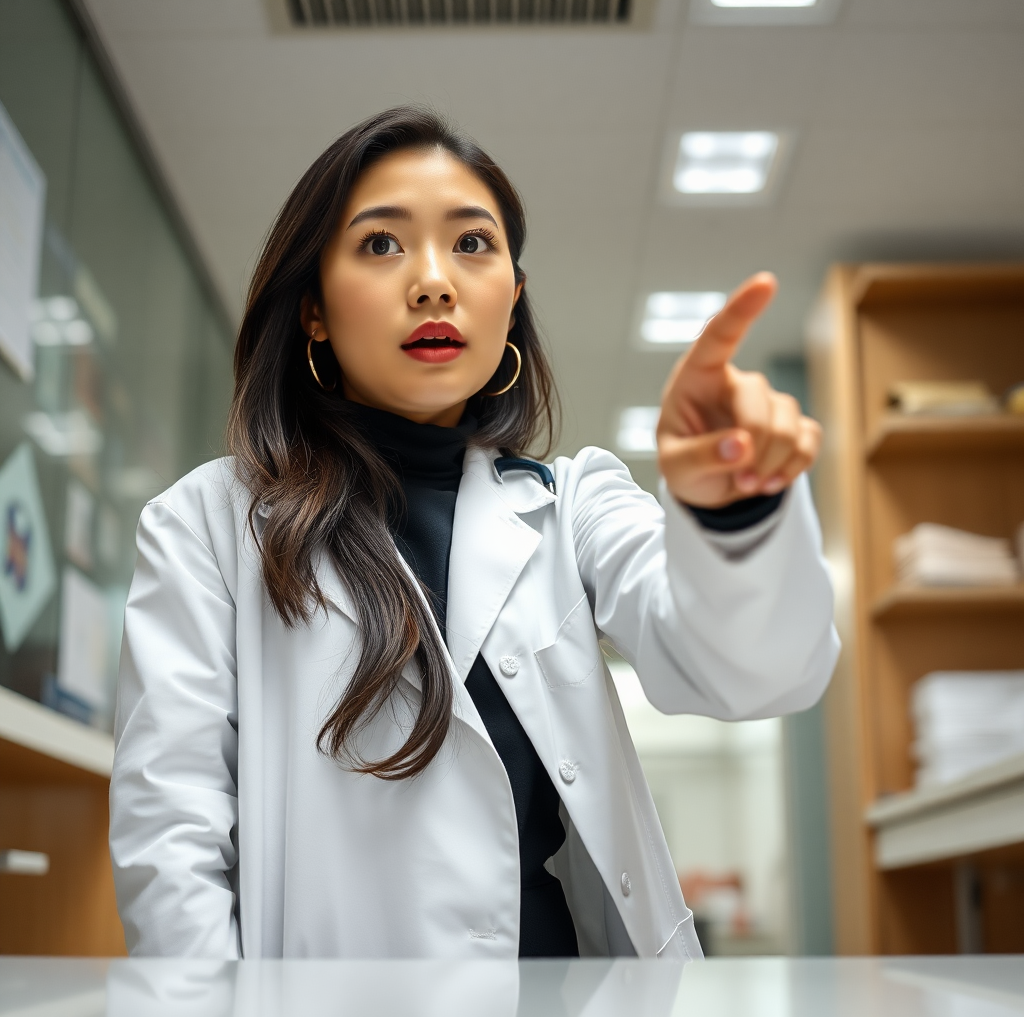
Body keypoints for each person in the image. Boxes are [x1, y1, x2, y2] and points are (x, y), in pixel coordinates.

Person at [109, 106, 839, 960]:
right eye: (381, 244)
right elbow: (172, 837)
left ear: (513, 301)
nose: (433, 282)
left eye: (472, 244)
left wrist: (734, 512)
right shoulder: (208, 526)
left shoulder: (573, 507)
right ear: (312, 309)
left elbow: (752, 674)